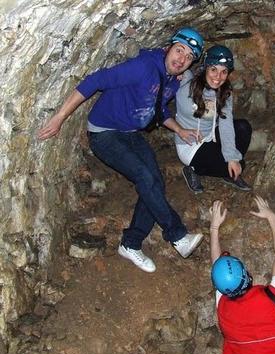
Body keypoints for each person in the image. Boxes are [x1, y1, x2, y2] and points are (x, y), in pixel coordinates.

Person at [37, 27, 206, 273]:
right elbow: (95, 80)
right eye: (179, 50)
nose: (181, 58)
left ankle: (130, 244)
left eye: (189, 56)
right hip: (104, 133)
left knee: (154, 182)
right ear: (168, 47)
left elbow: (158, 109)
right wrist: (60, 118)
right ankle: (177, 235)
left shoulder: (172, 79)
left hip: (130, 133)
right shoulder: (144, 67)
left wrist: (179, 130)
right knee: (145, 177)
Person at [209, 197, 275, 354]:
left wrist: (214, 227)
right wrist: (272, 218)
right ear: (245, 273)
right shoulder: (272, 299)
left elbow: (217, 267)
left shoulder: (224, 309)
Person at [172, 44, 252, 193]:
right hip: (190, 146)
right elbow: (177, 71)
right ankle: (194, 169)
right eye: (214, 69)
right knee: (237, 166)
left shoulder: (224, 93)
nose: (218, 77)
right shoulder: (187, 85)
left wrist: (232, 157)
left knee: (243, 127)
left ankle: (227, 170)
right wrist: (182, 73)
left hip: (211, 137)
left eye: (224, 72)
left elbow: (226, 124)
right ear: (205, 68)